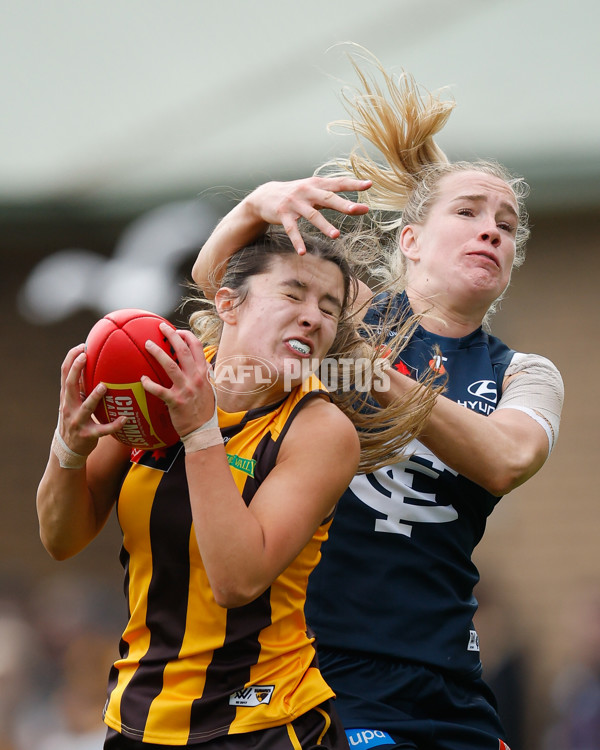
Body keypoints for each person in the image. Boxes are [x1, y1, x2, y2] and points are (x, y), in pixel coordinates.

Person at [191, 50, 564, 750]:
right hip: (322, 665)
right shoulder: (347, 312)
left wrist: (368, 368)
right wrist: (252, 205)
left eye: (507, 225)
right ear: (413, 240)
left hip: (446, 674)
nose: (492, 229)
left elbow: (507, 458)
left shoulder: (524, 371)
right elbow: (223, 286)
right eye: (470, 212)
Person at [36, 223, 434, 750]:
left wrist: (201, 433)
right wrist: (68, 446)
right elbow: (61, 539)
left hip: (262, 723)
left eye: (330, 307)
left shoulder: (319, 429)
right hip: (138, 716)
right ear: (228, 303)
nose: (313, 316)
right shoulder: (161, 379)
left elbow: (236, 580)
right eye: (292, 294)